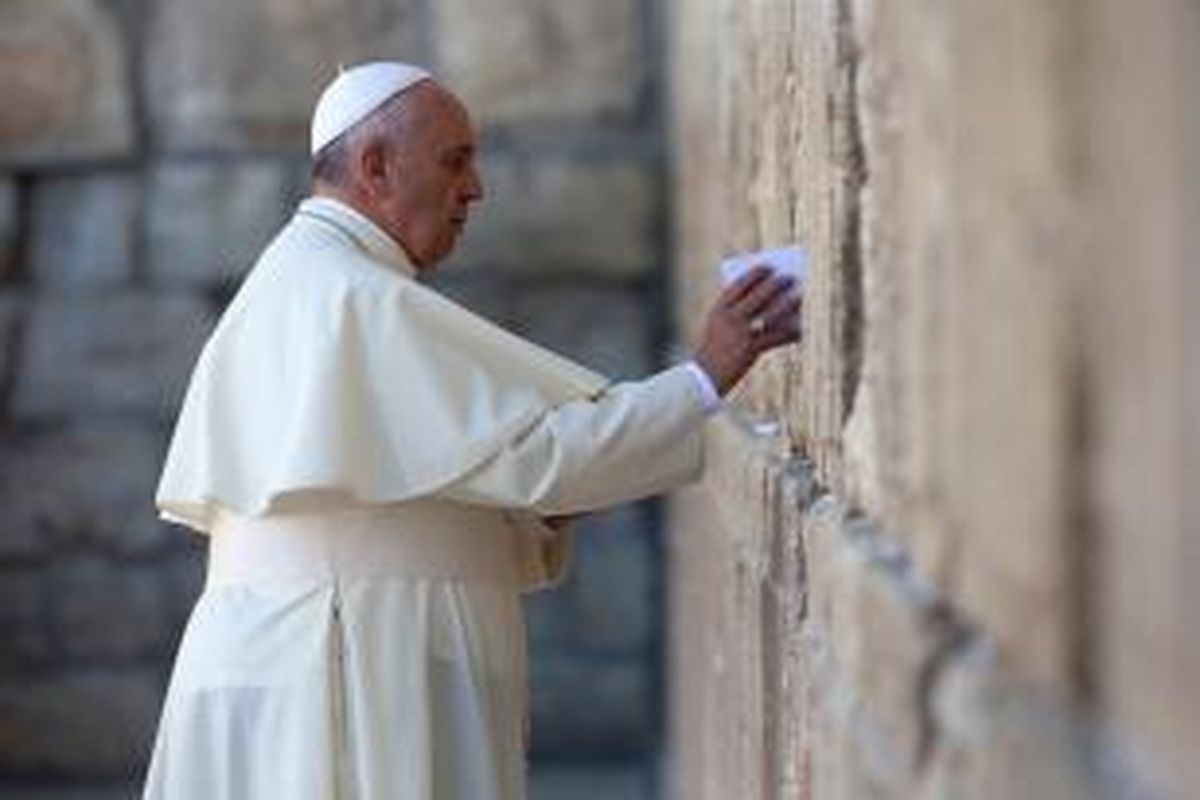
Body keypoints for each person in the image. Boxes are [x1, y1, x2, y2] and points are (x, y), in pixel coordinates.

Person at [140, 62, 800, 800]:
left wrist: (549, 499)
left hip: (303, 657)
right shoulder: (351, 296)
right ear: (376, 167)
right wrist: (704, 375)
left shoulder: (306, 278)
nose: (476, 188)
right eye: (455, 161)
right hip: (345, 667)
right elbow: (541, 457)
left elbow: (471, 478)